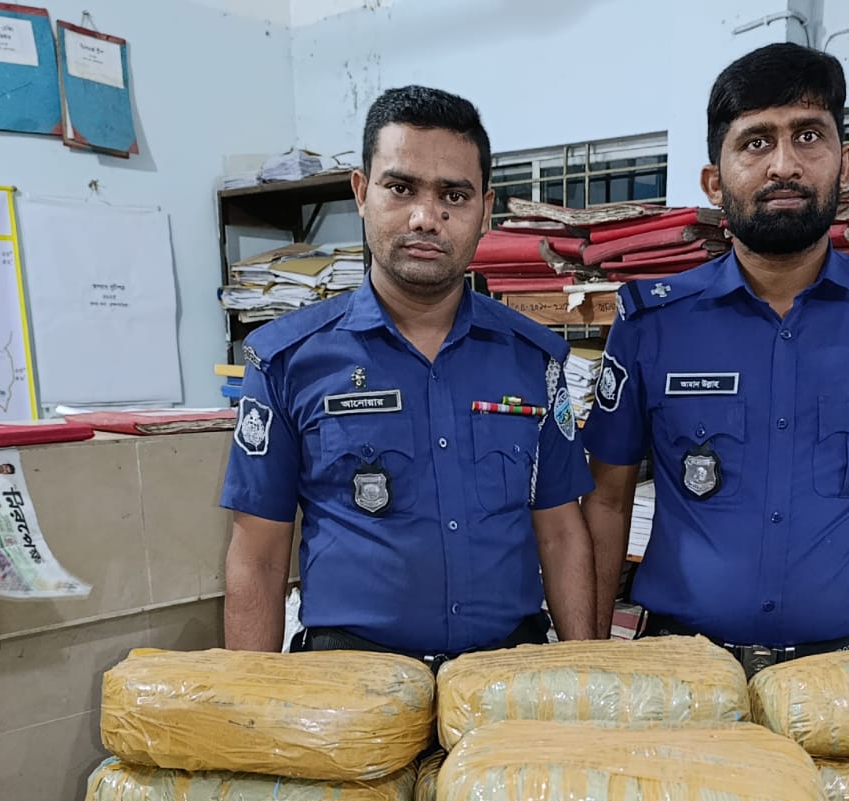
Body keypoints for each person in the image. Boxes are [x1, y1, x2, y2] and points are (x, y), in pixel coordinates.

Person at [581, 44, 849, 674]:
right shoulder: (651, 323)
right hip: (684, 676)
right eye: (756, 142)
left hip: (848, 676)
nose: (784, 164)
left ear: (846, 164)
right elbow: (606, 503)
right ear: (714, 182)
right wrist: (588, 661)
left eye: (808, 136)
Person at [220, 85, 596, 664]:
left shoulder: (533, 359)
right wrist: (256, 699)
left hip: (506, 675)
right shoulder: (287, 361)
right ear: (361, 192)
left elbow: (562, 532)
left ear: (485, 210)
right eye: (401, 188)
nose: (426, 218)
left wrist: (584, 673)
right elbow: (259, 554)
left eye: (454, 195)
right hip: (352, 678)